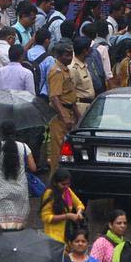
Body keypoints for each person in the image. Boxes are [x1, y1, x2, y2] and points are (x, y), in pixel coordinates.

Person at [0, 120, 34, 235]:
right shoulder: (24, 147)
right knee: (18, 227)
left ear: (1, 132)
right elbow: (33, 167)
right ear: (15, 132)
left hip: (2, 191)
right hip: (20, 190)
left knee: (4, 227)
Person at [46, 40, 78, 174]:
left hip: (69, 112)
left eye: (71, 55)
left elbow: (70, 95)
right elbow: (54, 97)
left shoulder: (66, 70)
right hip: (60, 117)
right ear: (59, 56)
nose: (70, 58)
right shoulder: (57, 71)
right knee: (58, 153)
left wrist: (77, 114)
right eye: (66, 55)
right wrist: (64, 116)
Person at [40, 168, 85, 244]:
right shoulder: (49, 194)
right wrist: (68, 216)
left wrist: (79, 213)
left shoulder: (67, 191)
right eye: (63, 184)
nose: (66, 186)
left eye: (68, 184)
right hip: (53, 236)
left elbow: (79, 204)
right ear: (55, 183)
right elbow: (46, 217)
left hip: (66, 235)